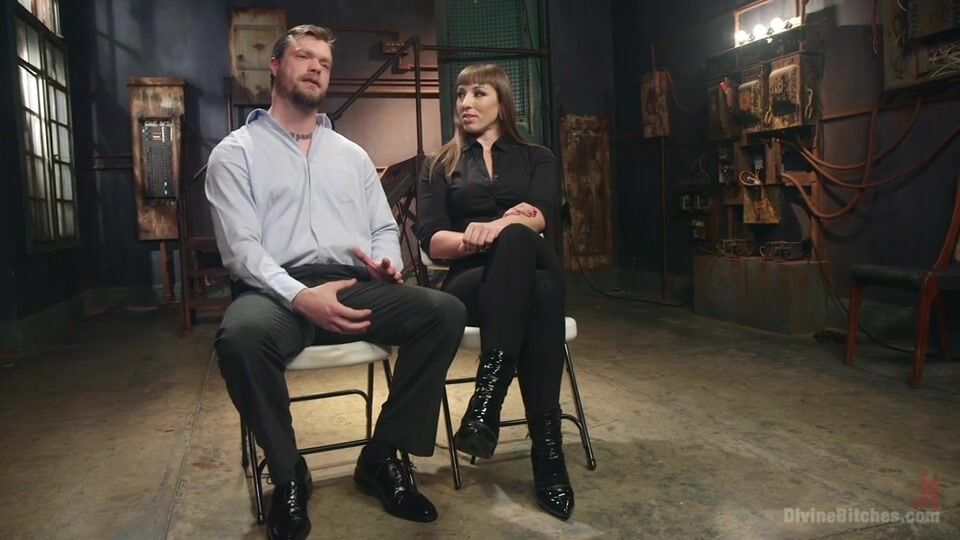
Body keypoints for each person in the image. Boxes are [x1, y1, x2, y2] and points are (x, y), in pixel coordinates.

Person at [206, 25, 466, 540]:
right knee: (239, 337)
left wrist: (386, 262)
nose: (315, 67)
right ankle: (288, 475)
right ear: (275, 66)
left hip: (351, 286)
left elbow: (383, 228)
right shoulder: (236, 153)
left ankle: (382, 456)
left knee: (444, 312)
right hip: (274, 292)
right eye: (304, 57)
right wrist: (302, 297)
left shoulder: (350, 155)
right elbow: (242, 251)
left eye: (324, 62)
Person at [415, 63, 574, 520]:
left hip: (530, 260)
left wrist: (502, 227)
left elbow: (542, 215)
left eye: (478, 93)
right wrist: (478, 237)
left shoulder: (538, 156)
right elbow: (432, 239)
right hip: (473, 280)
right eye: (460, 94)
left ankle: (487, 401)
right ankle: (548, 453)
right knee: (540, 293)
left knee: (520, 240)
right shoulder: (439, 164)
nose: (465, 103)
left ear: (502, 103)